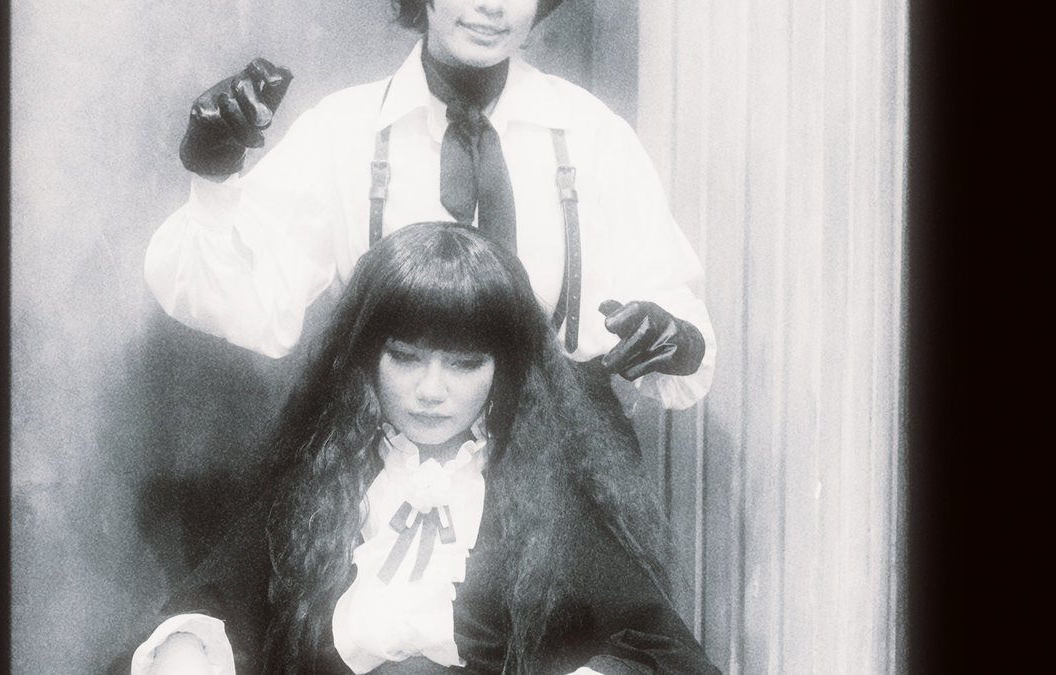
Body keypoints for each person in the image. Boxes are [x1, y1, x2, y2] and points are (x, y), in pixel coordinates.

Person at [126, 222, 719, 675]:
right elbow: (216, 602)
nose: (431, 391)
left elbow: (662, 650)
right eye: (405, 357)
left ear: (504, 370)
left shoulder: (546, 506)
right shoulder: (317, 491)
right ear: (366, 357)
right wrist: (187, 648)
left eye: (464, 364)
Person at [144, 0, 717, 432]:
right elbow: (248, 302)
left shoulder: (593, 135)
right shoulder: (341, 131)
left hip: (562, 463)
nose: (493, 7)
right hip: (385, 465)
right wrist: (212, 177)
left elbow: (668, 296)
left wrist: (677, 339)